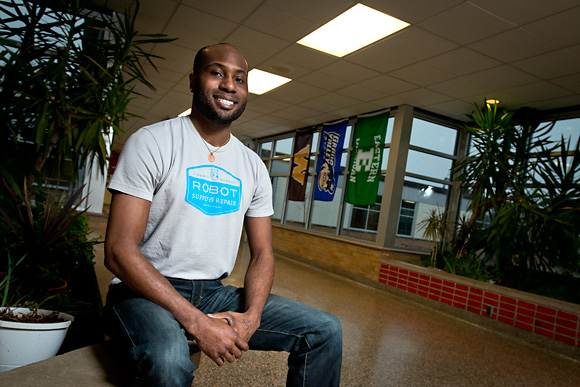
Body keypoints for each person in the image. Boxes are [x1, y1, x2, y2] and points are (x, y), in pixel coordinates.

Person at [103, 43, 342, 386]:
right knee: (170, 361)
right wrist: (196, 322)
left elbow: (262, 253)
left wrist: (253, 316)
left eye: (239, 79)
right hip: (143, 291)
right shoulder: (152, 142)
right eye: (217, 73)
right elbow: (118, 250)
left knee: (325, 330)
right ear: (193, 81)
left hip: (213, 292)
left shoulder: (252, 166)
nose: (230, 85)